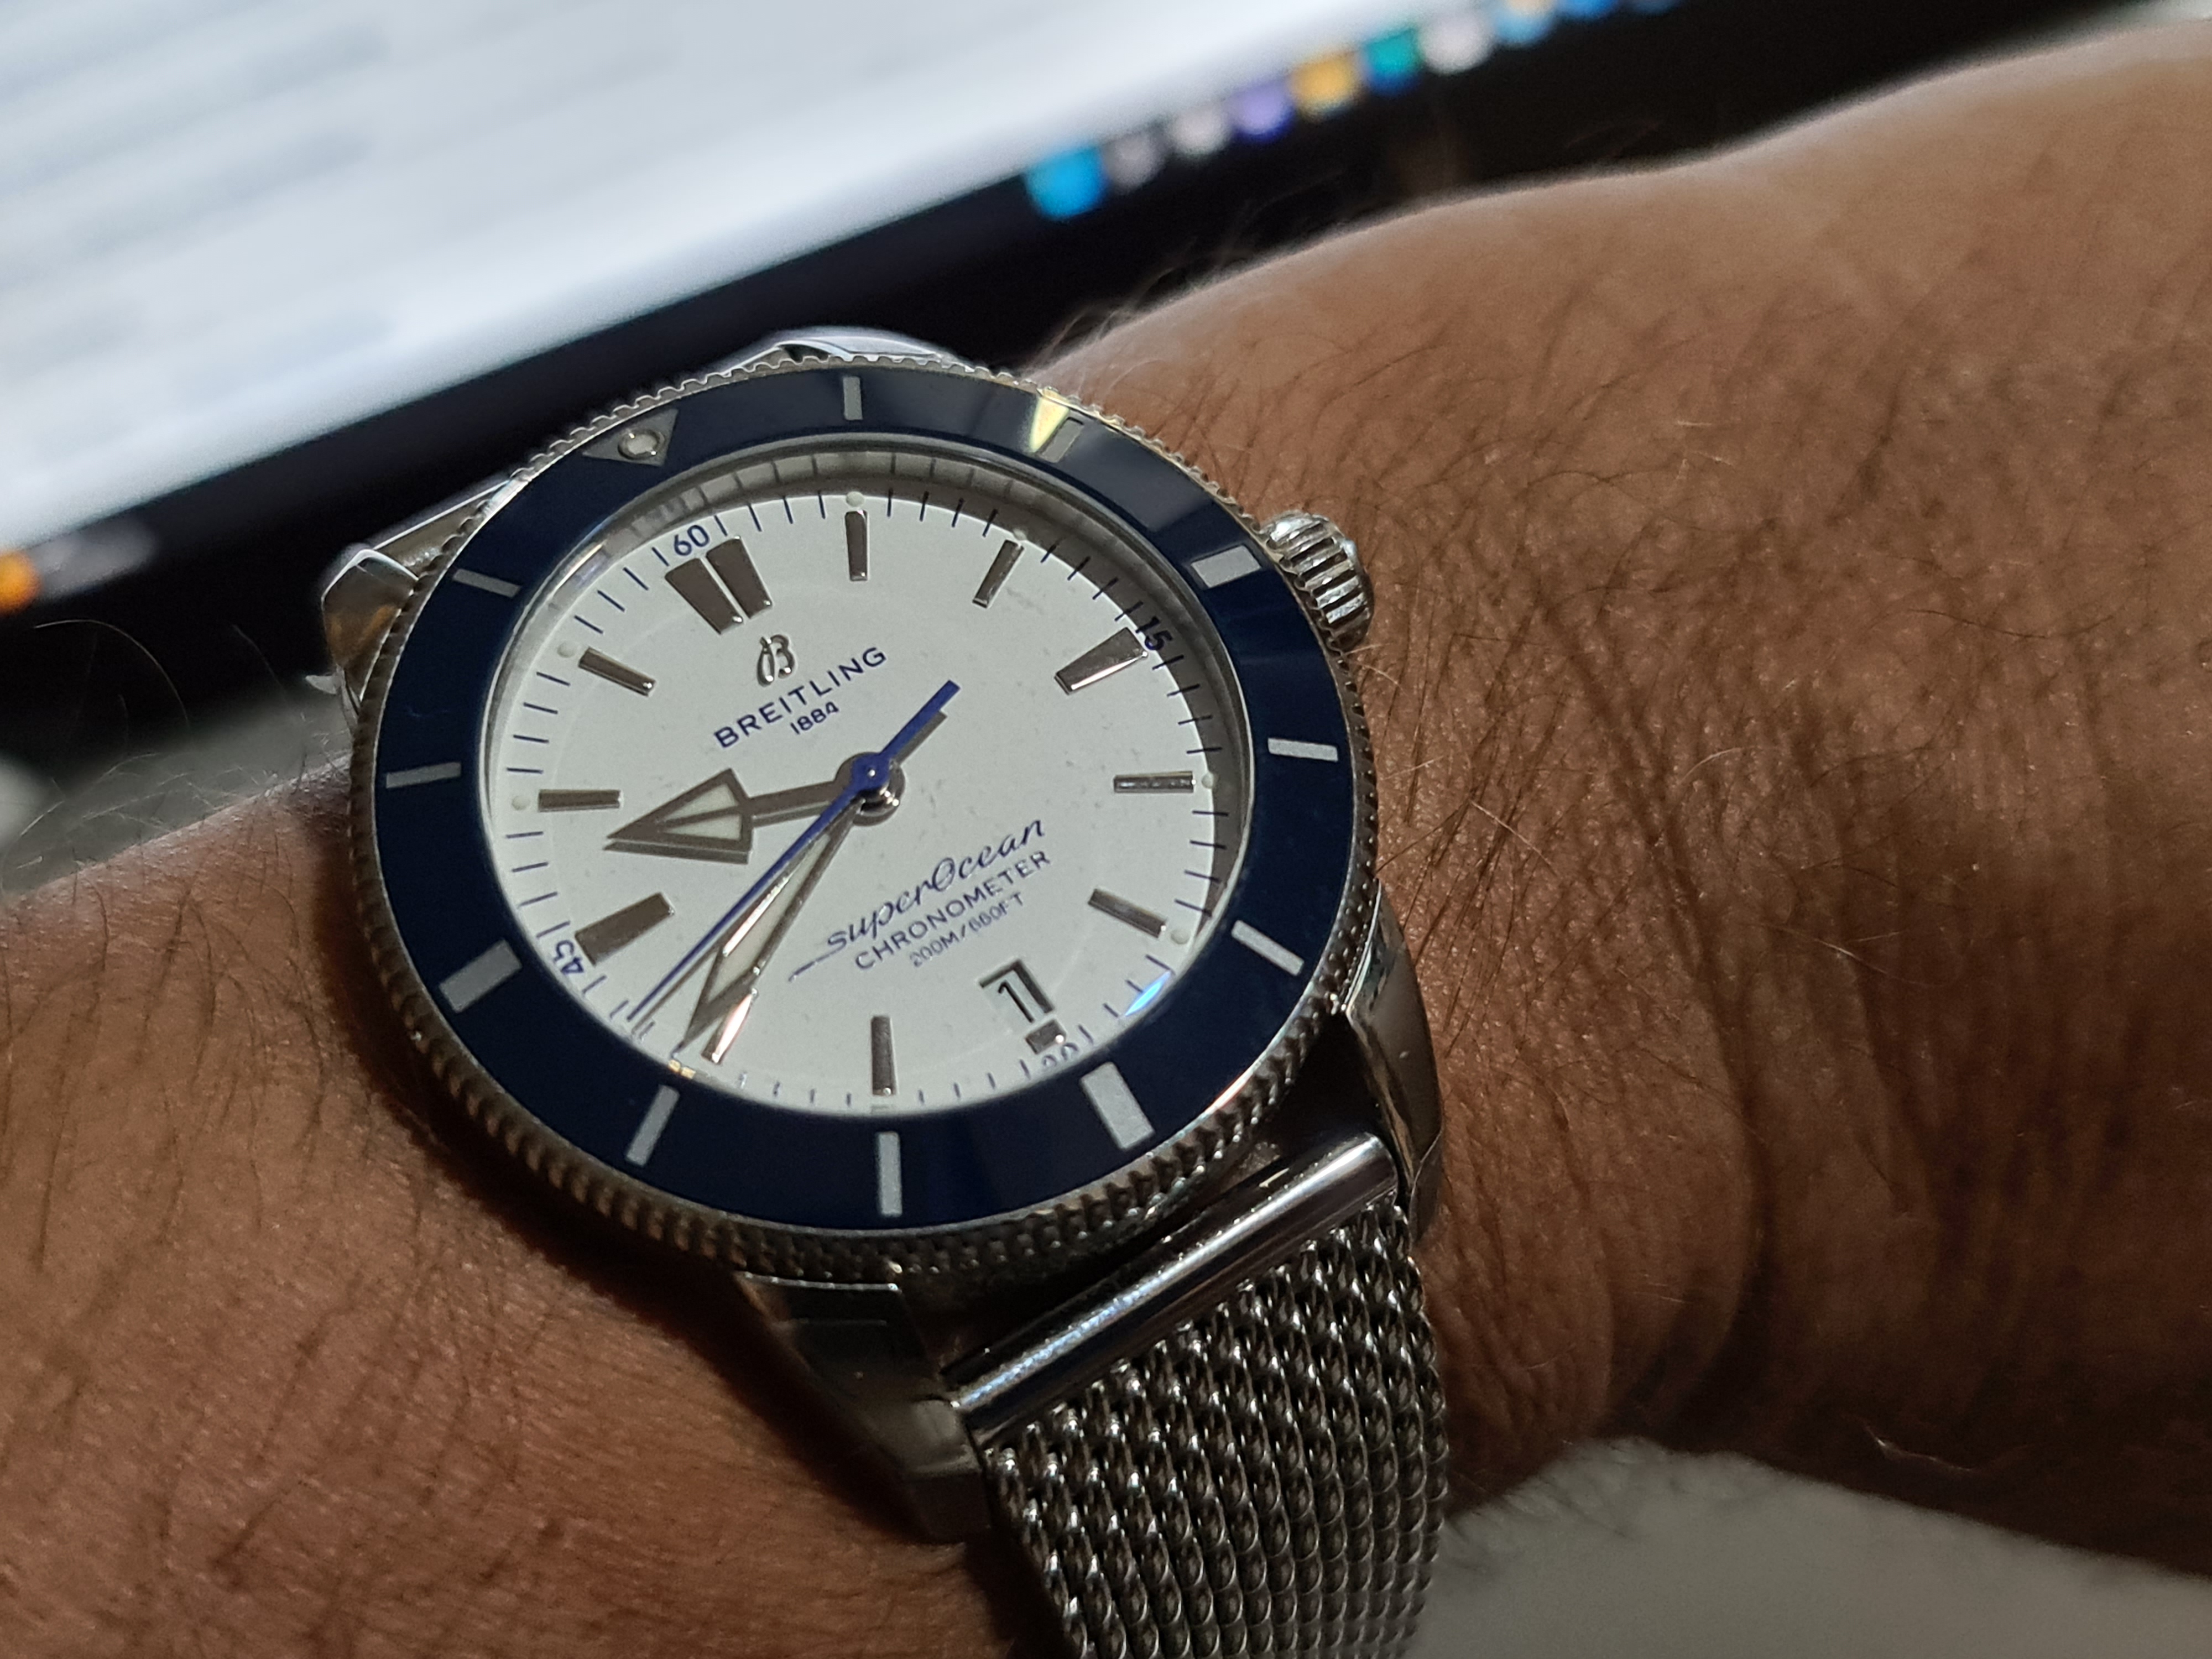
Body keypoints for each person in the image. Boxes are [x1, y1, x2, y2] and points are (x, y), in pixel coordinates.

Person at [6, 22, 2212, 1657]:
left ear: (1295, 591)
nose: (865, 793)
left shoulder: (1332, 1047)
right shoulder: (880, 1360)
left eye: (871, 773)